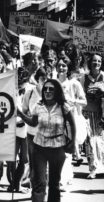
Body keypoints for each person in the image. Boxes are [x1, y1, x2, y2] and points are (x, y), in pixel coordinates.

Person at [18, 79, 76, 202]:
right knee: (39, 182)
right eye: (45, 89)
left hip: (58, 148)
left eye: (51, 89)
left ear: (57, 91)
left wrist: (72, 142)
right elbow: (33, 123)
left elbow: (72, 123)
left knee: (54, 183)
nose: (47, 91)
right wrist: (20, 114)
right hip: (39, 148)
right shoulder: (38, 106)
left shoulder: (63, 106)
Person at [56, 56, 87, 191]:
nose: (61, 68)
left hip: (71, 120)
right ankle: (64, 177)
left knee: (66, 150)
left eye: (64, 65)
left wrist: (72, 100)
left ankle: (63, 180)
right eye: (59, 65)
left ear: (68, 68)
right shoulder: (53, 82)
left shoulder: (74, 83)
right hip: (56, 120)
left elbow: (84, 102)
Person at [80, 53, 104, 179]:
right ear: (90, 63)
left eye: (99, 61)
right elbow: (80, 95)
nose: (97, 63)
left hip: (101, 114)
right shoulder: (84, 78)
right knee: (89, 141)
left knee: (100, 141)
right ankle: (92, 169)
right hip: (88, 113)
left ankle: (102, 167)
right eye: (94, 61)